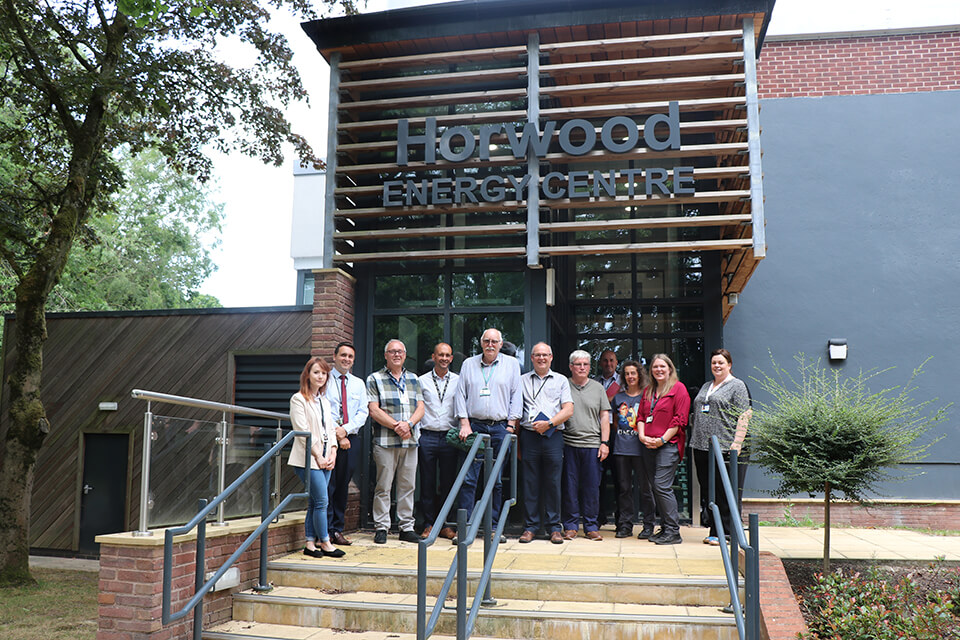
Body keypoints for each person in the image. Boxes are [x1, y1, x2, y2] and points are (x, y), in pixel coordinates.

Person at [455, 328, 522, 538]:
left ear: (501, 344)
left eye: (494, 341)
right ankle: (465, 528)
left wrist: (511, 425)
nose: (490, 345)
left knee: (496, 479)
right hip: (474, 427)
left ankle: (492, 527)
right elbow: (460, 395)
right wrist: (464, 423)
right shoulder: (469, 364)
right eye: (487, 341)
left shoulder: (511, 364)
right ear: (481, 343)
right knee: (469, 478)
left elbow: (516, 395)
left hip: (500, 428)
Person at [690, 348, 752, 545]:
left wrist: (737, 443)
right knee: (710, 491)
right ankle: (715, 530)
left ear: (729, 365)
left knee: (726, 492)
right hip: (701, 447)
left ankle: (727, 534)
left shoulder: (737, 385)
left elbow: (745, 414)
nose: (717, 366)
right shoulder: (706, 386)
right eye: (714, 362)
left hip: (725, 447)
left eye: (721, 362)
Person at [367, 339, 425, 544]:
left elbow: (421, 407)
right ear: (386, 355)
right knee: (383, 486)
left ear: (405, 355)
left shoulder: (414, 379)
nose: (396, 355)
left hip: (410, 441)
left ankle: (406, 527)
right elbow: (373, 409)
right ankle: (382, 527)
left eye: (400, 351)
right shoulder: (375, 378)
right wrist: (397, 426)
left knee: (408, 486)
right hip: (385, 441)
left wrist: (408, 424)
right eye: (392, 351)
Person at [288, 357, 345, 558]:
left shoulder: (324, 400)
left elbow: (330, 429)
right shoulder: (298, 399)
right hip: (308, 459)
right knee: (322, 501)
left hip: (326, 458)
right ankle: (326, 542)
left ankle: (310, 543)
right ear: (307, 375)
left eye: (324, 373)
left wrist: (333, 452)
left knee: (314, 502)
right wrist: (318, 456)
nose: (320, 376)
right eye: (316, 372)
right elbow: (302, 432)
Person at [518, 342, 574, 544]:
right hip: (529, 436)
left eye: (545, 355)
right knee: (530, 483)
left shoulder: (561, 380)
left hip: (553, 436)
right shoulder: (522, 380)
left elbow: (568, 409)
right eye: (538, 355)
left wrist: (549, 423)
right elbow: (516, 411)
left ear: (551, 357)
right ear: (531, 358)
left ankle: (554, 528)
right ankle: (530, 527)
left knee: (553, 483)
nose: (541, 358)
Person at [638, 353, 690, 545]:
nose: (658, 370)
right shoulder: (649, 390)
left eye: (662, 366)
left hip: (668, 445)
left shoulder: (679, 389)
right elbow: (641, 416)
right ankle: (666, 528)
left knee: (661, 485)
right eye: (655, 367)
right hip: (648, 444)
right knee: (655, 487)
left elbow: (680, 420)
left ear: (670, 369)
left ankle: (674, 532)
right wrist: (642, 436)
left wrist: (661, 440)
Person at [562, 350, 611, 541]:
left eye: (585, 364)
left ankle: (591, 526)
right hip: (568, 443)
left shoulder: (598, 388)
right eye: (578, 364)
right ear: (571, 367)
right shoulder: (563, 385)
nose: (582, 368)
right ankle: (571, 526)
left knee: (592, 488)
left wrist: (604, 443)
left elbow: (604, 416)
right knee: (570, 488)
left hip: (592, 445)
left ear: (590, 367)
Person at [325, 341, 369, 547]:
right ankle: (324, 530)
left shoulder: (358, 384)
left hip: (351, 439)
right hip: (328, 438)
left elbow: (363, 412)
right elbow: (323, 409)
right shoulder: (324, 379)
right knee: (328, 485)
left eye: (350, 357)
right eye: (343, 355)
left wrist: (346, 430)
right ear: (334, 357)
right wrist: (338, 433)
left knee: (342, 485)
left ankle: (337, 530)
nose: (346, 359)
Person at [610, 360, 657, 539]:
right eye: (627, 374)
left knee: (645, 489)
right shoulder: (618, 397)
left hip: (641, 449)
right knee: (624, 489)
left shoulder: (647, 396)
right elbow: (615, 422)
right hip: (621, 449)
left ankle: (648, 525)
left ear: (639, 375)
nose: (630, 376)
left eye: (633, 373)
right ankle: (625, 525)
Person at [417, 342, 460, 540]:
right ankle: (428, 524)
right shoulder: (422, 381)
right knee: (426, 482)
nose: (444, 358)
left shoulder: (458, 381)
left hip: (450, 437)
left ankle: (445, 524)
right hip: (428, 435)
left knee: (448, 483)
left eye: (447, 355)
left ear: (451, 358)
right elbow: (417, 407)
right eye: (440, 355)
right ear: (433, 357)